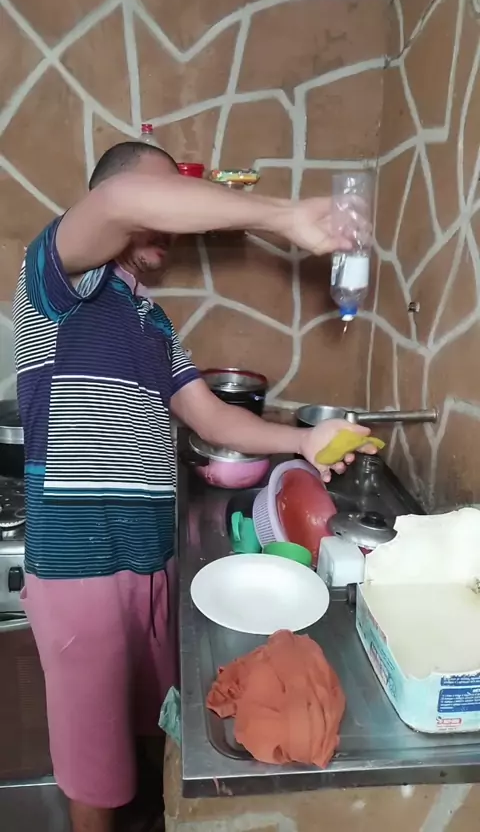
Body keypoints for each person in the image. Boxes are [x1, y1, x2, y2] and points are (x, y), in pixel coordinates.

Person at [13, 141, 375, 832]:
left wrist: (303, 441)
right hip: (80, 567)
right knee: (95, 772)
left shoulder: (153, 322)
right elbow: (120, 201)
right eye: (167, 197)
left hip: (153, 561)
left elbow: (209, 415)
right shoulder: (58, 279)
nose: (172, 222)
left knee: (154, 725)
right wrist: (284, 215)